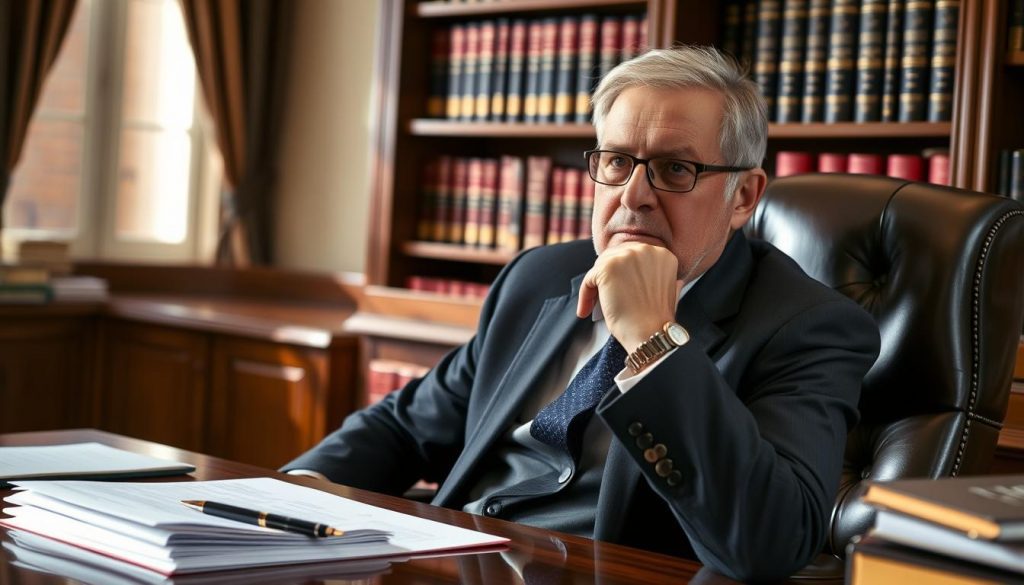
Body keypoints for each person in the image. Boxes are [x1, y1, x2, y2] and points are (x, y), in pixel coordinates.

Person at [283, 45, 880, 581]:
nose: (633, 196)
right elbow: (405, 427)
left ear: (742, 196)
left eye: (676, 169)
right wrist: (285, 500)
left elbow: (770, 541)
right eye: (617, 161)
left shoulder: (806, 326)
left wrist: (652, 339)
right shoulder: (537, 278)